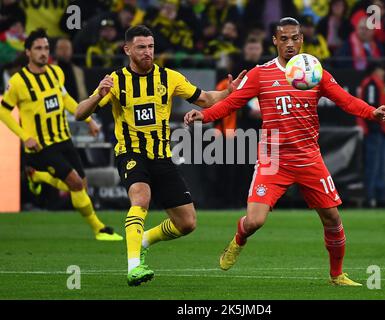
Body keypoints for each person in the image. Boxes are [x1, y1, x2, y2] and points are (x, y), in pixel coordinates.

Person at [184, 17, 385, 286]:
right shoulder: (260, 73)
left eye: (295, 38)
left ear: (302, 40)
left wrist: (372, 113)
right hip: (273, 158)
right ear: (275, 41)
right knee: (255, 222)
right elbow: (232, 102)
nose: (290, 43)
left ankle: (337, 275)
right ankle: (239, 238)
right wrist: (204, 116)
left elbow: (346, 100)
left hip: (308, 156)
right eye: (284, 38)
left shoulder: (315, 71)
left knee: (332, 218)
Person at [75, 25, 246, 286]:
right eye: (141, 47)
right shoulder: (116, 81)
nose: (147, 52)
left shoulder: (169, 78)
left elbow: (206, 99)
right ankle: (133, 266)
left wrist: (228, 92)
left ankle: (143, 239)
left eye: (151, 47)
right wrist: (98, 95)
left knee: (187, 223)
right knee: (140, 197)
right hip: (131, 153)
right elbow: (79, 113)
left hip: (161, 157)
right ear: (127, 49)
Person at [0, 29, 122, 241]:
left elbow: (65, 100)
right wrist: (24, 136)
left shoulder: (56, 73)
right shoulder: (18, 82)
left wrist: (89, 120)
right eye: (38, 48)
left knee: (81, 187)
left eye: (46, 48)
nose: (43, 52)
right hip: (40, 146)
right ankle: (99, 229)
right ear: (28, 52)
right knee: (75, 183)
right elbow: (3, 110)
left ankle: (37, 176)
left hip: (63, 138)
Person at [356, 61, 385, 208]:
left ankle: (379, 196)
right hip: (376, 132)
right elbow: (371, 105)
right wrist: (375, 128)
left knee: (380, 166)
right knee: (374, 166)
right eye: (381, 69)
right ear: (375, 71)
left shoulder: (377, 83)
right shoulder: (371, 84)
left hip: (382, 132)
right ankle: (370, 197)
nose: (383, 73)